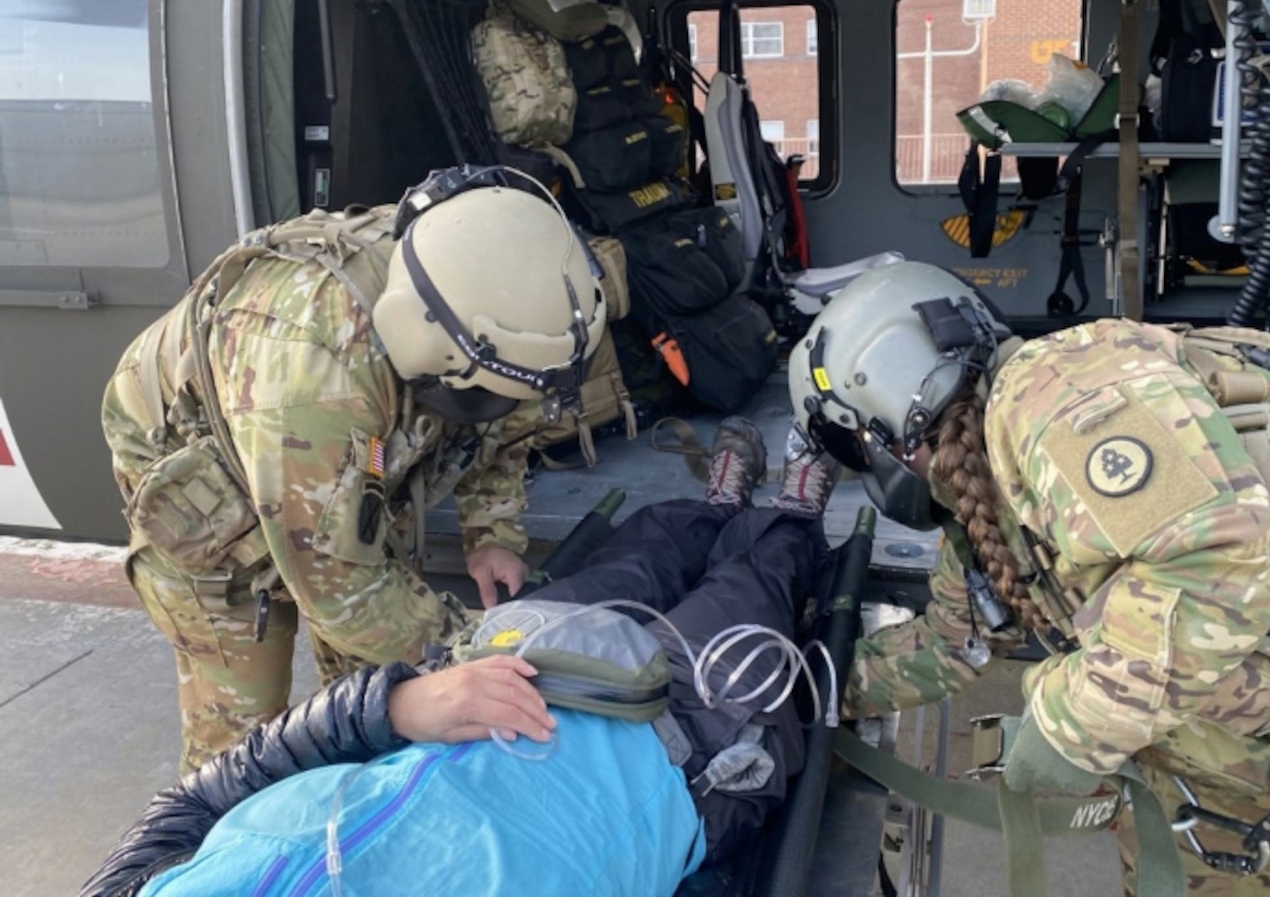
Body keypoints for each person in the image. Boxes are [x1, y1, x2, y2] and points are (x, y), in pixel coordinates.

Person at [788, 260, 1270, 895]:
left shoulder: (1059, 394)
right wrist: (802, 692)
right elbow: (949, 642)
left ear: (884, 405)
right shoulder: (984, 484)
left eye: (852, 451)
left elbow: (1216, 559)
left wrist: (1069, 724)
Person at [80, 417, 841, 897]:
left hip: (509, 671)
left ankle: (712, 509)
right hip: (672, 757)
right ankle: (789, 517)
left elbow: (204, 796)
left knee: (641, 553)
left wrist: (397, 706)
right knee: (755, 588)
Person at [101, 165, 609, 773]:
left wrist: (491, 536)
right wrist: (470, 649)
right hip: (210, 510)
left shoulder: (492, 290)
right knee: (244, 749)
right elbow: (339, 590)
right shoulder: (316, 376)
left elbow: (499, 429)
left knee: (376, 689)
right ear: (431, 352)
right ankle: (198, 858)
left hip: (324, 464)